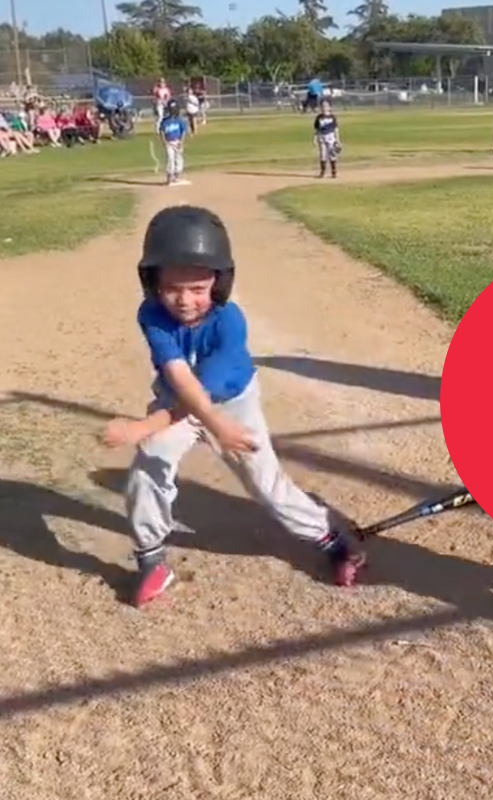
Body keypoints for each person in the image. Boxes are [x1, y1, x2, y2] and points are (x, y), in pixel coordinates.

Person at [101, 205, 366, 608]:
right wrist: (152, 432)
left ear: (219, 284)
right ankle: (151, 559)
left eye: (197, 289)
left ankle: (333, 540)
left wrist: (145, 427)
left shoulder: (229, 322)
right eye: (172, 287)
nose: (184, 300)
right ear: (152, 282)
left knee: (266, 485)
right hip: (179, 399)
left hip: (233, 404)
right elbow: (180, 382)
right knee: (149, 462)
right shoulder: (151, 314)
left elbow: (202, 397)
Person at [158, 98, 189, 186]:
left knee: (178, 159)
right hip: (169, 143)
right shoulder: (165, 121)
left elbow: (183, 131)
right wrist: (164, 142)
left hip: (178, 142)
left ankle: (177, 176)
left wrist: (181, 142)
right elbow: (162, 132)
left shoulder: (179, 120)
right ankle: (169, 177)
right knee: (170, 159)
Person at [313, 97, 341, 179]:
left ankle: (334, 170)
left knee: (332, 155)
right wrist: (314, 139)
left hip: (331, 137)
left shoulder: (332, 117)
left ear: (329, 107)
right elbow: (316, 130)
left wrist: (338, 140)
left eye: (326, 106)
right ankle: (323, 171)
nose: (324, 108)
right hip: (321, 137)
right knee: (322, 155)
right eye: (322, 106)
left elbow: (336, 129)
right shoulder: (319, 118)